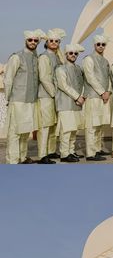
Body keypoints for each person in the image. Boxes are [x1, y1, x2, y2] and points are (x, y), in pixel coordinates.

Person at [4, 29, 45, 164]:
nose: (33, 42)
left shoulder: (36, 58)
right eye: (30, 40)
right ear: (25, 41)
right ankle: (13, 160)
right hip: (18, 100)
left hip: (31, 101)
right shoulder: (17, 57)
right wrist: (9, 98)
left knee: (25, 131)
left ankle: (22, 157)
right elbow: (8, 79)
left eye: (35, 40)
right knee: (15, 132)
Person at [37, 28, 66, 164]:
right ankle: (42, 155)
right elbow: (44, 78)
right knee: (45, 126)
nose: (54, 43)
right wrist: (54, 94)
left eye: (57, 41)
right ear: (46, 42)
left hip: (55, 96)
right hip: (46, 96)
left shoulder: (56, 57)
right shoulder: (43, 57)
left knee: (54, 125)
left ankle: (51, 150)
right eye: (51, 41)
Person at [82, 34, 112, 161]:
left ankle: (97, 149)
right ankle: (90, 153)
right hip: (93, 96)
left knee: (99, 125)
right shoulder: (88, 59)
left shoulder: (105, 61)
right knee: (92, 126)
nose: (100, 47)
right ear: (94, 45)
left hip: (103, 97)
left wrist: (108, 92)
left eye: (103, 44)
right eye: (98, 44)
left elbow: (109, 78)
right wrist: (101, 92)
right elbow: (90, 77)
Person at [55, 44, 85, 163]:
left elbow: (81, 84)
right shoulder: (60, 69)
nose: (73, 55)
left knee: (73, 130)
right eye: (71, 53)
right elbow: (63, 85)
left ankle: (71, 152)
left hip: (76, 104)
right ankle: (64, 154)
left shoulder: (78, 68)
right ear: (66, 54)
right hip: (65, 104)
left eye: (75, 53)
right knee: (66, 130)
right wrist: (77, 96)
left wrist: (81, 97)